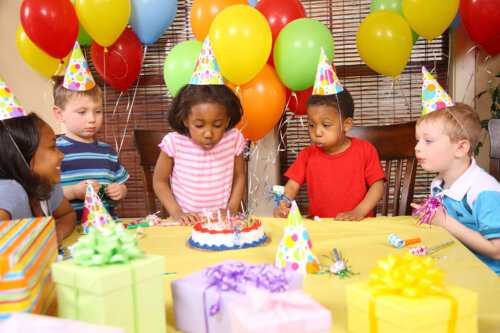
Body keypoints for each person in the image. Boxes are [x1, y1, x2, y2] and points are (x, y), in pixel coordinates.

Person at [411, 103, 500, 274]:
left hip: (486, 276)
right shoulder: (438, 183)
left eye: (428, 141)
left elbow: (497, 251)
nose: (417, 147)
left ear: (460, 148)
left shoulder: (483, 191)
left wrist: (445, 223)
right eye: (418, 140)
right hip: (455, 264)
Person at [274, 88, 386, 220]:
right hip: (321, 226)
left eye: (325, 125)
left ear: (346, 125)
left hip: (357, 226)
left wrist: (359, 212)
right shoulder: (307, 155)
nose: (317, 132)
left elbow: (377, 186)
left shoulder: (365, 150)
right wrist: (282, 204)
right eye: (311, 125)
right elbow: (291, 186)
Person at [153, 84, 246, 225]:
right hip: (185, 224)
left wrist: (231, 209)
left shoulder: (233, 139)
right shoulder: (174, 142)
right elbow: (159, 181)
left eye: (217, 125)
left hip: (221, 223)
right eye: (199, 126)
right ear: (186, 120)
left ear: (227, 120)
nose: (208, 134)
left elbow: (239, 176)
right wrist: (177, 213)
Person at [52, 75, 129, 222]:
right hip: (69, 229)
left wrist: (120, 191)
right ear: (59, 114)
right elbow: (44, 197)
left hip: (106, 228)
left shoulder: (108, 153)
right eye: (82, 112)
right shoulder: (53, 151)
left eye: (98, 111)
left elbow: (121, 185)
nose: (92, 119)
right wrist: (73, 192)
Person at [0, 113, 76, 246]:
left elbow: (67, 214)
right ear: (22, 155)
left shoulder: (46, 184)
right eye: (52, 147)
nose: (61, 155)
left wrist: (58, 232)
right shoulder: (8, 192)